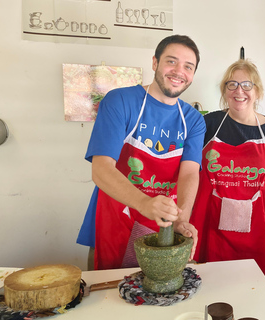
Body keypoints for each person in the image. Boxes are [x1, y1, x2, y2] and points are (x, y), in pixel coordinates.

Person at [76, 35, 206, 270]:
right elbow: (101, 168)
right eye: (172, 61)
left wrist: (182, 219)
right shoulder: (120, 101)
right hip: (116, 217)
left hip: (164, 222)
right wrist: (145, 203)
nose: (179, 71)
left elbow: (189, 174)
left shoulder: (193, 120)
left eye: (188, 66)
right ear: (155, 62)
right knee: (110, 296)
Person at [190, 59, 265, 281]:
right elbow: (186, 171)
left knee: (253, 294)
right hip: (210, 232)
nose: (239, 91)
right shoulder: (207, 124)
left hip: (259, 233)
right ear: (224, 91)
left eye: (247, 85)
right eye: (232, 84)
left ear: (257, 92)